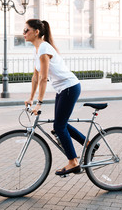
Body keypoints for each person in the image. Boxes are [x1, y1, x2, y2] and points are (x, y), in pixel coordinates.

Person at [23, 19, 86, 176]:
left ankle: (73, 162)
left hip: (69, 87)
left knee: (59, 126)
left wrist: (39, 103)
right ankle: (89, 144)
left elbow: (44, 78)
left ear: (36, 32)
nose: (23, 33)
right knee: (59, 124)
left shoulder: (44, 48)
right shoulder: (37, 49)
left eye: (26, 30)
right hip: (63, 89)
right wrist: (30, 98)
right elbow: (35, 77)